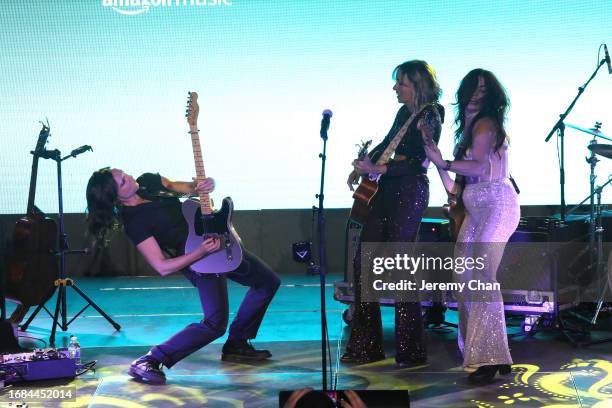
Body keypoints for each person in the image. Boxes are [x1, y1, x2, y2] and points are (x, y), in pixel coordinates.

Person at [86, 168, 281, 384]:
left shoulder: (149, 182)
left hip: (218, 242)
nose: (130, 178)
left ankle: (237, 343)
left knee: (267, 282)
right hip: (198, 260)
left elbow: (188, 188)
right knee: (214, 324)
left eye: (125, 174)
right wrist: (200, 252)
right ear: (116, 196)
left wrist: (205, 184)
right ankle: (149, 360)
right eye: (123, 182)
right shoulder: (134, 222)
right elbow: (162, 266)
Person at [342, 60, 444, 367]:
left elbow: (415, 162)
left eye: (401, 83)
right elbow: (389, 146)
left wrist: (378, 168)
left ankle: (411, 350)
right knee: (364, 262)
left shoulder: (431, 113)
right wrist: (362, 167)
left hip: (409, 192)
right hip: (386, 190)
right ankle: (367, 345)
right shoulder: (404, 113)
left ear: (418, 85)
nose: (395, 88)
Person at [423, 68, 519, 383]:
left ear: (491, 97)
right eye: (472, 89)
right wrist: (437, 161)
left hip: (497, 205)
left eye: (483, 90)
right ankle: (494, 354)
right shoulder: (466, 132)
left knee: (480, 277)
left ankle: (487, 360)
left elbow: (479, 166)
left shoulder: (488, 124)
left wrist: (444, 162)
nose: (477, 95)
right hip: (475, 208)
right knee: (463, 275)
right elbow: (456, 188)